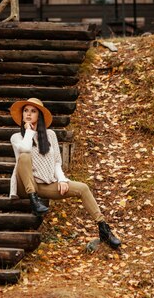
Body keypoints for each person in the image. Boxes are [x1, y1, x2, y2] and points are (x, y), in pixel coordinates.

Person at [9, 98, 121, 249]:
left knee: (82, 188)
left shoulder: (50, 135)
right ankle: (34, 201)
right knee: (24, 157)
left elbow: (56, 161)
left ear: (39, 116)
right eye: (26, 111)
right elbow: (24, 149)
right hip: (25, 186)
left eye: (33, 111)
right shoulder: (17, 137)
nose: (28, 114)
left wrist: (61, 179)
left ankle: (104, 228)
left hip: (44, 184)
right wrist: (29, 131)